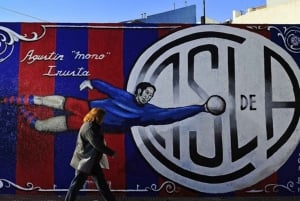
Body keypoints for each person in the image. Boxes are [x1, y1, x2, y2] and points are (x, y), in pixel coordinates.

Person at [1, 79, 226, 133]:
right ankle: (8, 101)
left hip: (87, 124)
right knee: (42, 99)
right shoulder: (125, 96)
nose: (147, 97)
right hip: (84, 106)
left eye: (151, 95)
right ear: (138, 91)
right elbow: (108, 88)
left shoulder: (149, 114)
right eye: (145, 92)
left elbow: (172, 115)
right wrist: (91, 82)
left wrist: (201, 108)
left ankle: (21, 111)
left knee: (40, 126)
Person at [65, 108, 116, 201]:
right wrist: (110, 152)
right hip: (85, 161)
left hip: (91, 161)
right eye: (102, 117)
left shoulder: (92, 126)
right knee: (76, 185)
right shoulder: (89, 127)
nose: (103, 120)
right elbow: (96, 144)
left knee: (102, 185)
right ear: (97, 117)